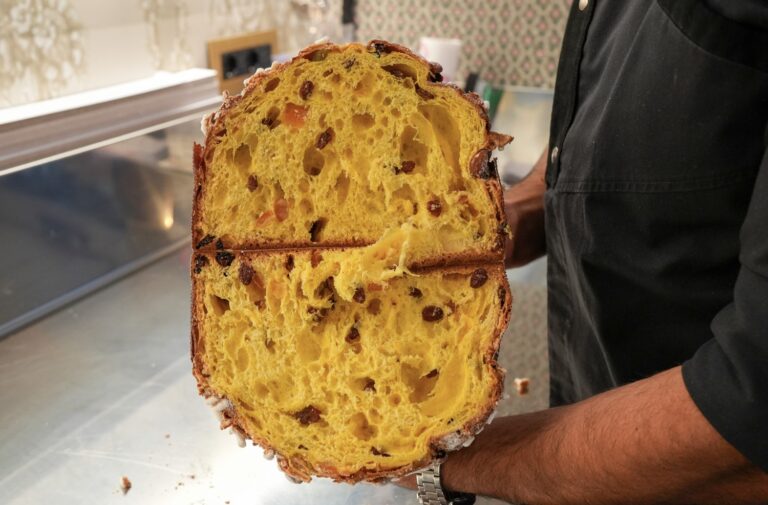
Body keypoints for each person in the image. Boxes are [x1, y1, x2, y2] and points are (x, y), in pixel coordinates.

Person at [403, 1, 768, 503]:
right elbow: (595, 144)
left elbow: (751, 417)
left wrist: (439, 458)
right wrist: (509, 218)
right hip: (580, 443)